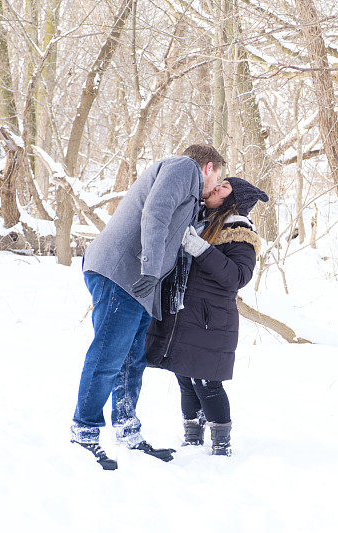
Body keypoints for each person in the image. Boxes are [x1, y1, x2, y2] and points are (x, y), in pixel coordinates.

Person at [71, 145, 226, 470]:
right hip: (123, 271)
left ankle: (127, 427)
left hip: (138, 282)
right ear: (208, 167)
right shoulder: (185, 168)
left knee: (131, 359)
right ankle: (84, 430)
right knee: (109, 353)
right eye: (218, 178)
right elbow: (155, 213)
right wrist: (152, 270)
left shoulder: (191, 194)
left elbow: (175, 227)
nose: (215, 186)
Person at [145, 177, 269, 457]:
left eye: (224, 187)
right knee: (184, 377)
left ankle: (221, 447)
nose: (215, 188)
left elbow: (237, 277)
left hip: (209, 319)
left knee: (207, 382)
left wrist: (200, 249)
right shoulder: (198, 222)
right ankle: (191, 439)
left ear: (234, 199)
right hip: (182, 313)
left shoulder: (239, 231)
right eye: (218, 184)